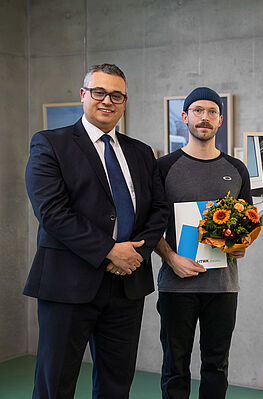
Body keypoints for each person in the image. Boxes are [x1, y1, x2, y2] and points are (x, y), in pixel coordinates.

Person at [24, 63, 169, 398]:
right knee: (54, 384)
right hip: (67, 283)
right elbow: (52, 212)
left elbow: (158, 211)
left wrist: (134, 254)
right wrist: (109, 250)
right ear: (83, 95)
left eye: (116, 95)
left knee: (116, 384)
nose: (107, 101)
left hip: (126, 286)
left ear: (124, 101)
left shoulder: (141, 153)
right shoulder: (50, 144)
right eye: (99, 92)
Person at [154, 87, 252, 399]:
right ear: (185, 117)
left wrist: (241, 246)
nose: (204, 117)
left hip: (222, 287)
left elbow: (246, 224)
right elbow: (150, 225)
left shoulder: (236, 169)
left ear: (220, 120)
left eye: (211, 112)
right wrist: (171, 258)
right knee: (175, 366)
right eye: (197, 110)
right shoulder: (163, 168)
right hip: (176, 285)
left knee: (216, 366)